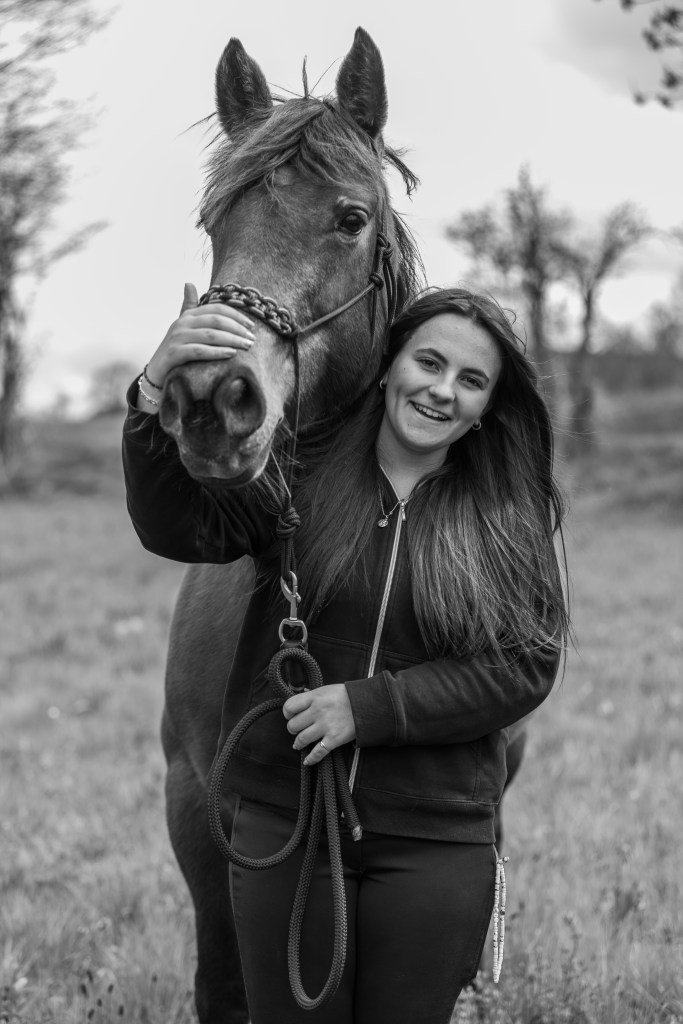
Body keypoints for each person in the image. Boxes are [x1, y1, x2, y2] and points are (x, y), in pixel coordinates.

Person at [123, 285, 569, 1024]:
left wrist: (366, 708)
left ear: (488, 405)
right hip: (290, 831)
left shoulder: (505, 514)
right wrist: (151, 391)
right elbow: (175, 526)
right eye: (428, 363)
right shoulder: (291, 480)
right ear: (388, 366)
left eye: (470, 380)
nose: (441, 390)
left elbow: (524, 667)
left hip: (434, 840)